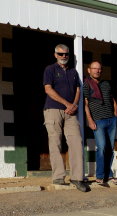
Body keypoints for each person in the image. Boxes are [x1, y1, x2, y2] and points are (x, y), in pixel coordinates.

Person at [43, 44, 88, 192]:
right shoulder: (50, 69)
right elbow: (48, 89)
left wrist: (74, 104)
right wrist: (66, 103)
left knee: (76, 142)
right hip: (53, 109)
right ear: (55, 54)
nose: (63, 57)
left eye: (66, 54)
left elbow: (77, 89)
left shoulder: (73, 72)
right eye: (60, 54)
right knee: (55, 142)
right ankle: (58, 176)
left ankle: (77, 177)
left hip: (71, 112)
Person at [83, 61, 117, 186]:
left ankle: (109, 175)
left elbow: (112, 99)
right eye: (94, 68)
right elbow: (85, 104)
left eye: (99, 69)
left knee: (110, 148)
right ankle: (100, 176)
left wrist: (115, 114)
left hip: (111, 120)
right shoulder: (86, 84)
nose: (97, 71)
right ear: (89, 70)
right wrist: (89, 120)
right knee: (102, 148)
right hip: (98, 121)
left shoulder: (106, 84)